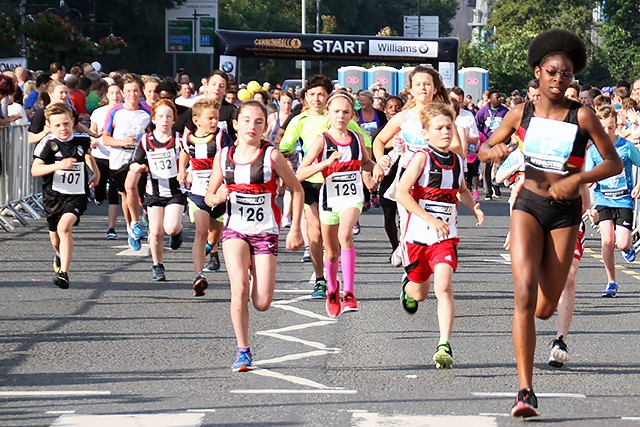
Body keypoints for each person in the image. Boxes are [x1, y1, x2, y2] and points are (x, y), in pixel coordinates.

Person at [479, 29, 622, 418]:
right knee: (523, 296)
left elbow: (614, 162)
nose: (559, 79)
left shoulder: (582, 115)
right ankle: (525, 391)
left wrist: (578, 179)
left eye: (567, 74)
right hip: (527, 204)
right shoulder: (520, 113)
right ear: (538, 73)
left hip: (565, 215)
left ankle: (539, 328)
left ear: (573, 79)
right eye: (552, 72)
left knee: (543, 308)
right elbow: (484, 147)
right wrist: (498, 150)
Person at [204, 100, 304, 372]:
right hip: (235, 230)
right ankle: (243, 350)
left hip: (264, 233)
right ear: (235, 125)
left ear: (265, 127)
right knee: (239, 291)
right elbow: (209, 196)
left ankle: (251, 273)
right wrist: (218, 196)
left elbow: (297, 189)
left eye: (258, 122)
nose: (252, 126)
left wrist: (294, 228)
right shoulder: (224, 155)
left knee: (261, 302)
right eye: (246, 120)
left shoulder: (271, 156)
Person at [395, 102, 484, 369]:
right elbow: (401, 193)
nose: (446, 132)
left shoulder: (457, 160)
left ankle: (444, 344)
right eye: (440, 128)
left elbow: (462, 189)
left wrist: (474, 207)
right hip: (417, 237)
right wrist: (429, 218)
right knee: (420, 294)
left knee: (443, 286)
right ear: (426, 133)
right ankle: (408, 288)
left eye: (449, 127)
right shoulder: (421, 157)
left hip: (445, 237)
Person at [279, 75, 371, 298]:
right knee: (315, 232)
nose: (316, 99)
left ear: (328, 98)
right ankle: (320, 279)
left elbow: (364, 145)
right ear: (306, 98)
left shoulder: (341, 116)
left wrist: (372, 167)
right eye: (312, 95)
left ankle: (335, 270)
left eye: (321, 94)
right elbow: (285, 146)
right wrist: (286, 158)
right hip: (312, 183)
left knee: (336, 237)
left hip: (336, 185)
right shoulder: (299, 121)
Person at [296, 92, 384, 317]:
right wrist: (325, 163)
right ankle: (332, 287)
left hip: (352, 198)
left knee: (346, 234)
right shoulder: (322, 141)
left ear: (352, 115)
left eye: (346, 112)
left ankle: (349, 292)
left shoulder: (356, 138)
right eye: (336, 112)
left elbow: (366, 162)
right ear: (327, 114)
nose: (341, 116)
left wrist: (375, 168)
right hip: (329, 201)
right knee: (332, 253)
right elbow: (299, 173)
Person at [31, 103, 100, 289]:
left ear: (72, 122)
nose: (63, 128)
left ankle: (64, 273)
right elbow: (35, 170)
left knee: (65, 227)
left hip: (76, 195)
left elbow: (87, 155)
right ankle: (60, 253)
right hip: (53, 197)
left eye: (66, 123)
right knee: (55, 238)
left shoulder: (82, 139)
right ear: (50, 126)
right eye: (58, 125)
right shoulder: (48, 144)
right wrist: (58, 166)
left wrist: (96, 173)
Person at [178, 98, 233, 295]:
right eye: (210, 118)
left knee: (215, 233)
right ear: (196, 120)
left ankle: (210, 246)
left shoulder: (221, 138)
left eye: (216, 118)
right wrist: (183, 170)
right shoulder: (187, 138)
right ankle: (198, 275)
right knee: (201, 231)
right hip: (198, 193)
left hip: (219, 194)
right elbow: (185, 152)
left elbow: (229, 159)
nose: (214, 122)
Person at [585, 105, 640, 297]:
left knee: (622, 243)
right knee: (607, 241)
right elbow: (588, 176)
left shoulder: (626, 147)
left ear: (616, 125)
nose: (607, 132)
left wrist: (639, 185)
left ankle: (627, 246)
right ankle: (611, 282)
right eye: (603, 128)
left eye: (610, 127)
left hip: (624, 200)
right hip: (603, 200)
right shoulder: (593, 150)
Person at [129, 99, 185, 282]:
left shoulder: (179, 140)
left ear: (174, 119)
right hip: (153, 192)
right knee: (156, 232)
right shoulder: (146, 140)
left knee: (171, 227)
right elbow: (134, 161)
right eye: (160, 116)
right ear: (153, 118)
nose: (164, 120)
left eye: (169, 116)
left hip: (175, 191)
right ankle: (157, 266)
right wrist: (137, 167)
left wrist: (187, 172)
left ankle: (177, 233)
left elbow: (189, 161)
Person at [102, 73, 152, 252]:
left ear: (141, 92)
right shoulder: (115, 111)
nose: (132, 94)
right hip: (119, 157)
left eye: (136, 90)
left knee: (136, 191)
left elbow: (153, 135)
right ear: (123, 92)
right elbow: (105, 139)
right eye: (129, 91)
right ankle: (131, 227)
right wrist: (122, 142)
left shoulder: (147, 111)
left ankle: (137, 222)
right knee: (125, 194)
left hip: (138, 158)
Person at [90, 83, 124, 239]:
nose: (115, 96)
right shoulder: (99, 112)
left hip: (117, 155)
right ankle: (98, 195)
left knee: (114, 193)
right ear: (106, 95)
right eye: (112, 93)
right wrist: (93, 140)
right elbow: (93, 130)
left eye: (118, 93)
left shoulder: (125, 112)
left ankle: (112, 228)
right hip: (100, 154)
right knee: (100, 186)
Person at [475, 89, 509, 200]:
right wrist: (481, 137)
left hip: (501, 143)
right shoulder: (483, 111)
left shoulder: (505, 111)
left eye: (500, 97)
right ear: (490, 99)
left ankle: (496, 183)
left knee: (499, 165)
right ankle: (488, 191)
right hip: (487, 143)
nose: (499, 99)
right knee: (485, 168)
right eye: (497, 97)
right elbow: (477, 125)